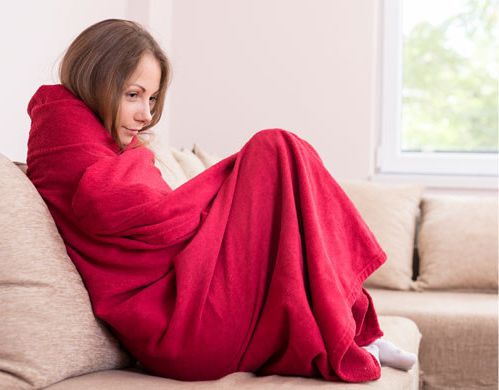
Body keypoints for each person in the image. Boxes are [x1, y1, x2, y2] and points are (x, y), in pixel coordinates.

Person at [26, 19, 416, 382]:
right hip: (177, 325)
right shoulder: (63, 132)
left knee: (279, 154)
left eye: (152, 98)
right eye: (133, 95)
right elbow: (149, 219)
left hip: (187, 298)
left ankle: (349, 330)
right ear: (95, 82)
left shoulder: (90, 135)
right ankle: (348, 329)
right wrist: (154, 163)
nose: (146, 114)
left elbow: (160, 222)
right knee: (274, 148)